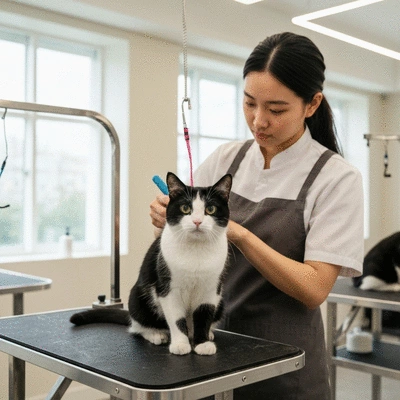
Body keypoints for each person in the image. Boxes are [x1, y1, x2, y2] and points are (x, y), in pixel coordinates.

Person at [150, 32, 364, 400]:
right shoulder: (226, 159)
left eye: (276, 110)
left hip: (284, 367)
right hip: (211, 351)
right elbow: (177, 249)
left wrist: (240, 235)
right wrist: (167, 223)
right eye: (249, 103)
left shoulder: (336, 178)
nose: (258, 120)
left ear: (312, 104)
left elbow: (314, 288)